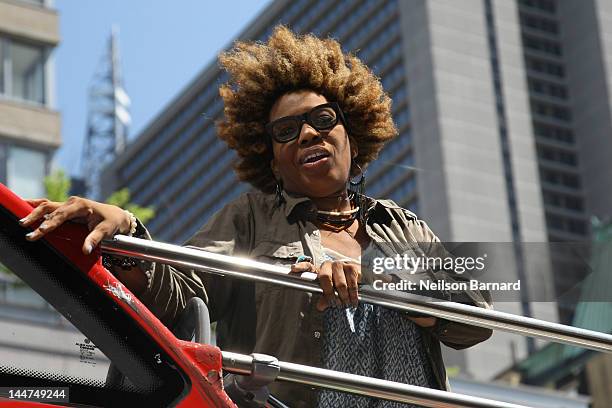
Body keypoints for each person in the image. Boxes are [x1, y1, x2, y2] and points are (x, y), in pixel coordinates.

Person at [21, 26, 492, 407]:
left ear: (353, 137)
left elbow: (476, 318)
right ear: (272, 161)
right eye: (287, 131)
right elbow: (182, 297)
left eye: (324, 120)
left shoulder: (405, 227)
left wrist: (384, 282)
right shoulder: (249, 219)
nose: (309, 133)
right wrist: (126, 232)